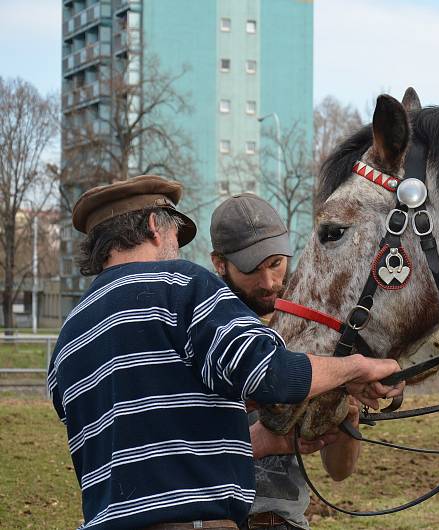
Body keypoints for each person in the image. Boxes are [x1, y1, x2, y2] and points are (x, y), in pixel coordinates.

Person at [47, 175, 402, 530]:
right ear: (156, 226)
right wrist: (355, 367)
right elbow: (273, 374)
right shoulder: (181, 286)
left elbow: (146, 423)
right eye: (175, 235)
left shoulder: (68, 337)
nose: (177, 248)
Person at [210, 194, 361, 530]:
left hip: (286, 523)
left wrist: (346, 417)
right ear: (219, 264)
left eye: (276, 263)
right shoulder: (201, 333)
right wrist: (256, 442)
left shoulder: (308, 338)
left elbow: (340, 471)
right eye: (252, 269)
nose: (269, 283)